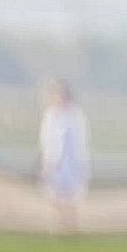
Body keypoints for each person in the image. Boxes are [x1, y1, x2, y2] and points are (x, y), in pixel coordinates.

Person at [39, 80, 90, 232]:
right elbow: (47, 141)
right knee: (55, 196)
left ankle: (71, 227)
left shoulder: (75, 116)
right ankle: (59, 226)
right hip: (54, 164)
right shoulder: (50, 116)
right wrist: (49, 162)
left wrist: (81, 165)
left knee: (71, 197)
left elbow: (80, 141)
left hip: (71, 163)